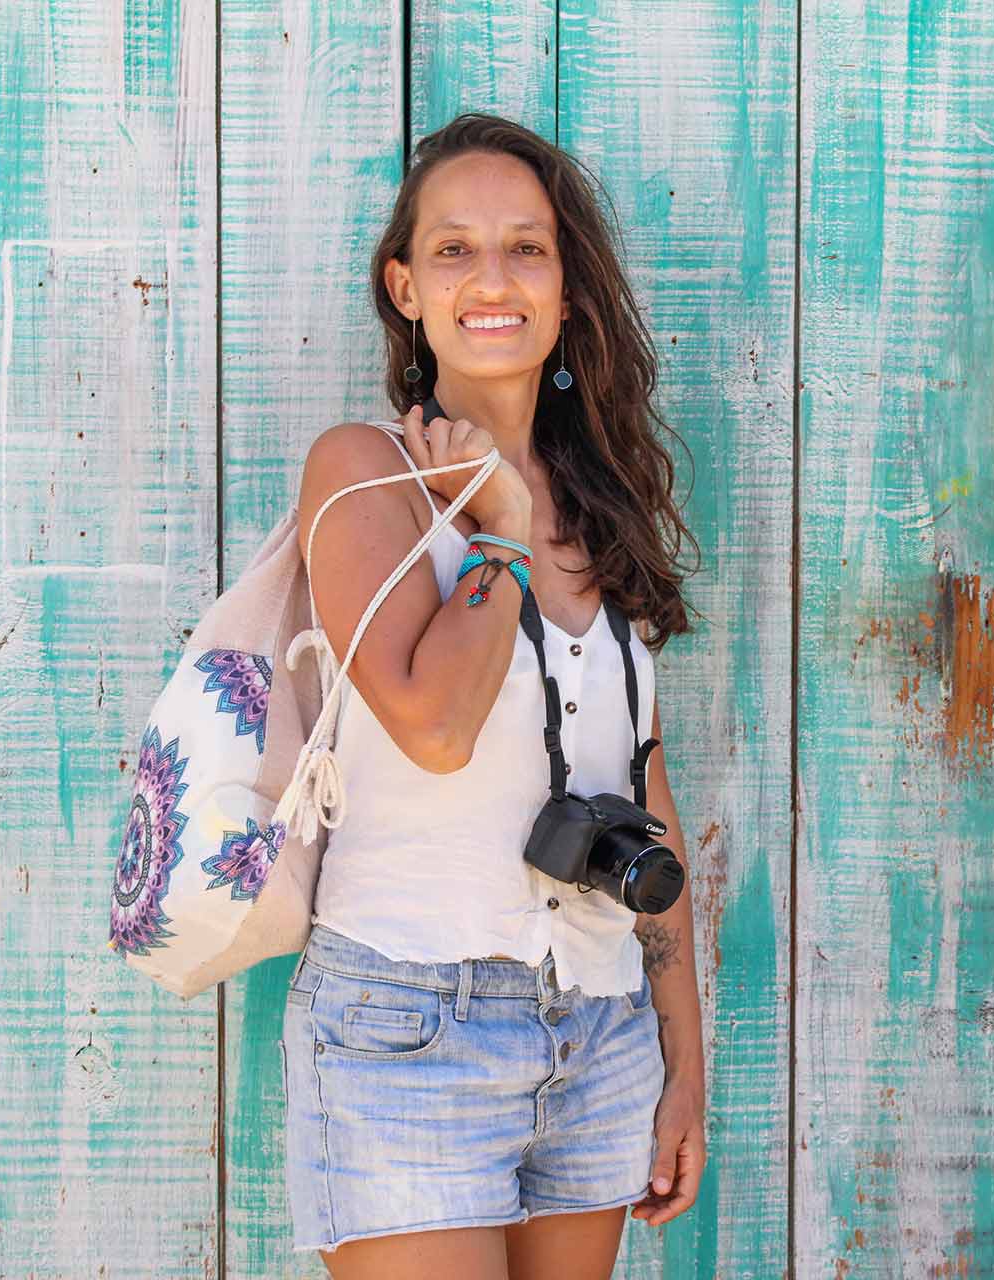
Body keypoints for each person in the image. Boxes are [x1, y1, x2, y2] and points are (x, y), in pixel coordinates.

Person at [281, 112, 709, 1280]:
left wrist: (684, 1060)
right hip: (410, 1020)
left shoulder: (604, 501)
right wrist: (504, 533)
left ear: (566, 292)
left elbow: (645, 786)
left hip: (600, 1022)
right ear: (405, 287)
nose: (492, 279)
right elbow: (433, 725)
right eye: (455, 249)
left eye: (526, 248)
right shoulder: (363, 471)